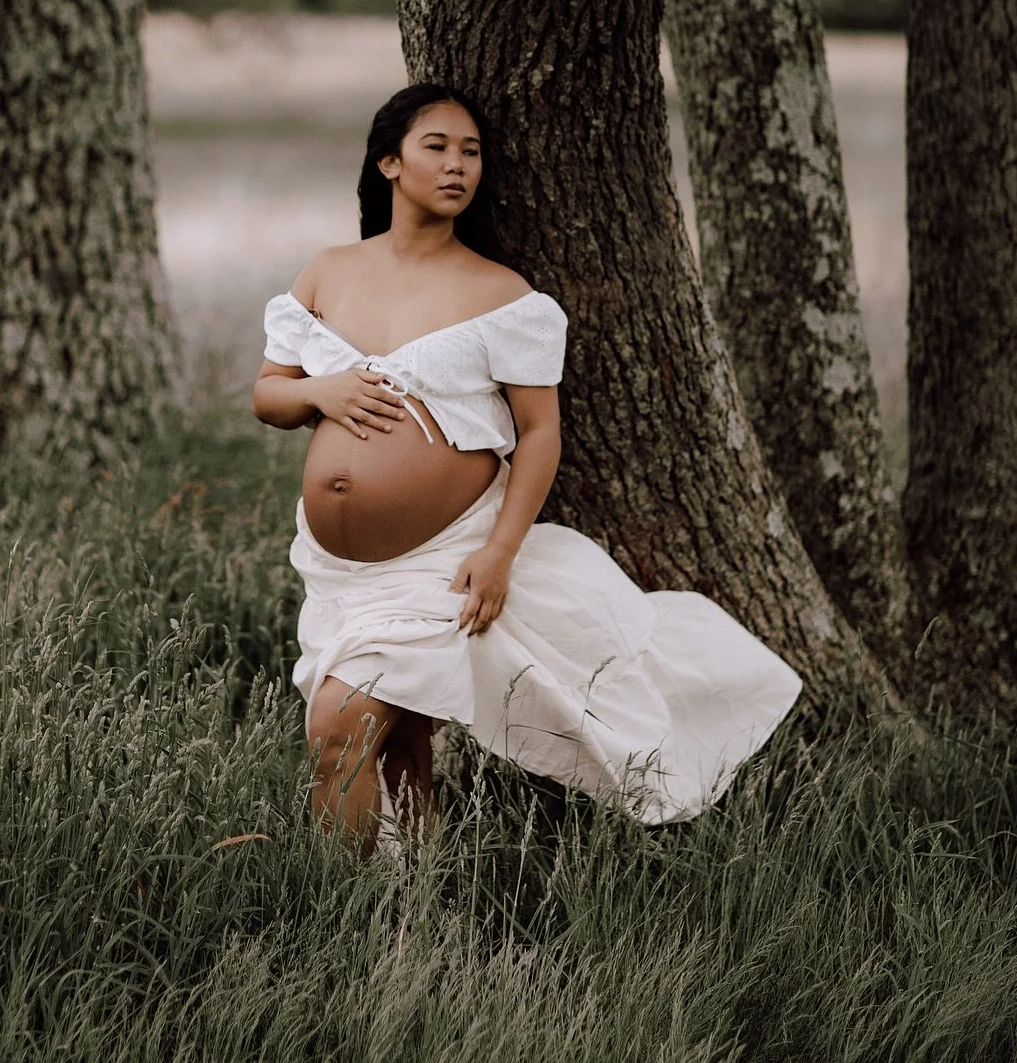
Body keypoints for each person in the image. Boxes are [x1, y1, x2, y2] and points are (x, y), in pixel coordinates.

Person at [252, 84, 802, 849]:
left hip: (440, 559)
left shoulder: (500, 293)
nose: (458, 166)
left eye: (471, 152)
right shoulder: (329, 271)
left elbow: (541, 431)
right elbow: (269, 397)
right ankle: (400, 909)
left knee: (337, 731)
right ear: (388, 162)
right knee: (400, 746)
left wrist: (500, 552)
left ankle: (351, 913)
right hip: (340, 570)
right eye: (437, 147)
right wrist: (322, 388)